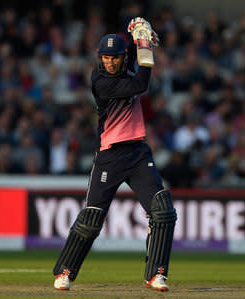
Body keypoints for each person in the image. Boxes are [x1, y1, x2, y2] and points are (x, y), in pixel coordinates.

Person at [53, 17, 177, 292]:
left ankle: (155, 274)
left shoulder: (127, 68)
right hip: (109, 155)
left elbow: (139, 66)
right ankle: (65, 272)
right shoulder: (100, 82)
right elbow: (140, 85)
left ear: (123, 58)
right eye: (105, 58)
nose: (110, 62)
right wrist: (144, 45)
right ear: (100, 59)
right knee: (92, 219)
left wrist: (138, 38)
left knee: (163, 211)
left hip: (138, 153)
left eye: (115, 58)